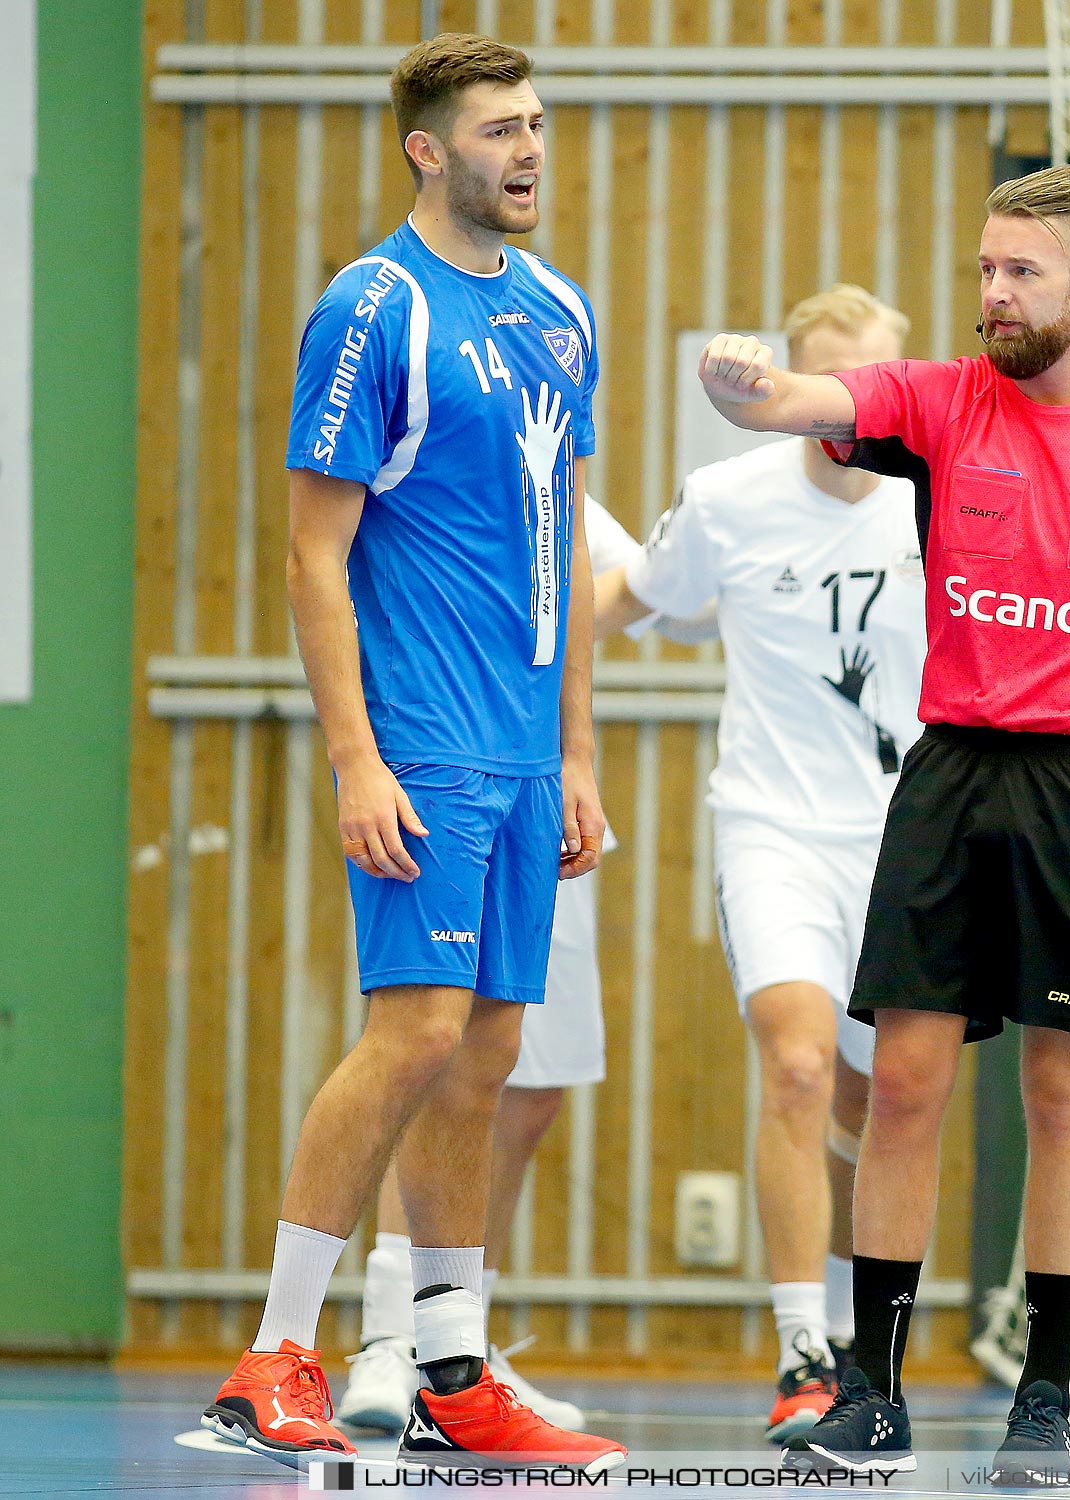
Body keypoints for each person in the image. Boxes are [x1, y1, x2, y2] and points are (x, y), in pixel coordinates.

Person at [697, 167, 1070, 1480]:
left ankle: (1047, 1395)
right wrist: (740, 382)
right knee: (903, 1080)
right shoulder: (936, 397)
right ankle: (873, 1383)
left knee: (1059, 1088)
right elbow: (804, 400)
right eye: (983, 269)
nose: (993, 295)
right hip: (953, 773)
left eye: (1020, 272)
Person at [199, 33, 623, 1476]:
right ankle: (273, 1355)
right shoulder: (369, 309)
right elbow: (315, 552)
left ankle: (451, 1366)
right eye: (500, 129)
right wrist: (351, 758)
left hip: (521, 743)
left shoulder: (561, 311)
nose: (529, 151)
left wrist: (575, 746)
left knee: (489, 1049)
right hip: (424, 738)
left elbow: (560, 537)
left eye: (540, 125)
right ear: (425, 149)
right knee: (419, 1031)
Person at [592, 284, 924, 1445]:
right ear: (784, 392)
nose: (838, 413)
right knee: (794, 1065)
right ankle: (799, 1349)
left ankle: (851, 1329)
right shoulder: (729, 502)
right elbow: (620, 602)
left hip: (907, 840)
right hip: (774, 831)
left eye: (862, 389)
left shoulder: (943, 502)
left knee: (878, 1098)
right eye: (815, 389)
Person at [340, 497, 713, 1436]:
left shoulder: (562, 478)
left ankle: (454, 1336)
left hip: (544, 795)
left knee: (527, 1079)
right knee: (432, 1054)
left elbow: (674, 607)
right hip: (450, 775)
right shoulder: (437, 467)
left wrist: (695, 542)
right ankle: (390, 1334)